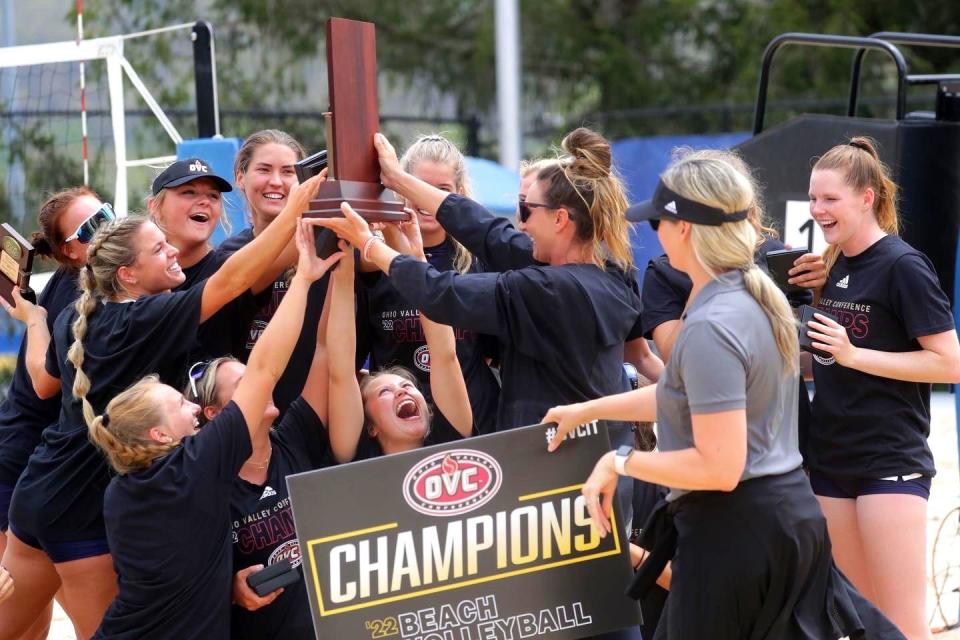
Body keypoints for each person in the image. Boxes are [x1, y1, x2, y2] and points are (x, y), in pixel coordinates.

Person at [544, 150, 904, 640]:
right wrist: (586, 410)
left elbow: (719, 465)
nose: (656, 235)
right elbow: (685, 396)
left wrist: (620, 463)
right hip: (782, 518)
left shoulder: (715, 321)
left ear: (686, 228)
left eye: (659, 224)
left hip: (738, 531)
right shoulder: (753, 295)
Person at [0, 172, 326, 639]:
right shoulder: (142, 318)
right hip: (81, 509)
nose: (172, 250)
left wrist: (34, 319)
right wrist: (295, 208)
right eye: (159, 248)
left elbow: (42, 380)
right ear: (128, 274)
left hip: (38, 491)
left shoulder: (78, 310)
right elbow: (233, 278)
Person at [89, 218, 342, 639]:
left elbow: (185, 570)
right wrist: (303, 282)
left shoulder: (123, 490)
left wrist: (228, 586)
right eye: (180, 405)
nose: (192, 406)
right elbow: (264, 368)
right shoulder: (194, 467)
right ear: (159, 436)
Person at [316, 128, 649, 431]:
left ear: (560, 218)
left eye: (527, 210)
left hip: (553, 468)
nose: (522, 224)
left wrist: (369, 244)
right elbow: (492, 234)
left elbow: (440, 293)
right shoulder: (611, 274)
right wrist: (397, 180)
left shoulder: (547, 288)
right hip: (596, 454)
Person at [804, 137, 960, 640]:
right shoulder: (831, 267)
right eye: (813, 198)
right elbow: (827, 363)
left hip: (889, 463)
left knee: (900, 626)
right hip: (831, 461)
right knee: (858, 622)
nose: (818, 210)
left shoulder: (903, 266)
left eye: (829, 199)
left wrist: (853, 355)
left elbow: (950, 364)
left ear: (867, 197)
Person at [185, 266, 350, 640]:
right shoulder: (202, 481)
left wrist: (342, 271)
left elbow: (324, 349)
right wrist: (230, 589)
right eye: (247, 384)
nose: (265, 384)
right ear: (214, 413)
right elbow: (182, 581)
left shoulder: (293, 436)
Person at [0, 187, 113, 639]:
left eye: (106, 213)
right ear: (69, 249)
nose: (104, 227)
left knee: (31, 618)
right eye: (89, 228)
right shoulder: (74, 292)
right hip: (23, 463)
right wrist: (32, 319)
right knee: (25, 616)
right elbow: (46, 383)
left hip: (50, 467)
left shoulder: (95, 274)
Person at [357, 134, 499, 439]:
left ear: (458, 194)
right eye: (418, 187)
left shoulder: (477, 262)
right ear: (400, 186)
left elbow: (492, 352)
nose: (426, 198)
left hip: (472, 424)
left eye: (441, 190)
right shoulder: (375, 260)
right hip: (398, 429)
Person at [329, 233, 472, 458]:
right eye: (385, 391)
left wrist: (416, 257)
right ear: (370, 427)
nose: (401, 391)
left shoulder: (450, 442)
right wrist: (346, 269)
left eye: (407, 386)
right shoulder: (356, 458)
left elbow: (444, 355)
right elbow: (341, 373)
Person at [221, 129, 325, 415]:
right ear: (240, 178)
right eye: (264, 170)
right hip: (245, 414)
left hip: (315, 414)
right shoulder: (227, 257)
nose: (276, 182)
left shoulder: (328, 244)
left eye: (288, 172)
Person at [147, 158, 271, 362]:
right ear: (154, 206)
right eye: (189, 192)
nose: (204, 201)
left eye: (213, 196)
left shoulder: (230, 267)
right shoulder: (131, 273)